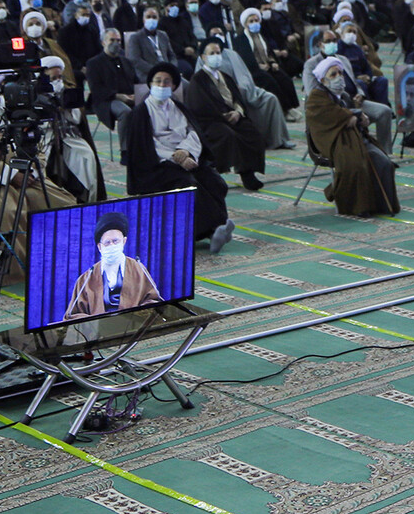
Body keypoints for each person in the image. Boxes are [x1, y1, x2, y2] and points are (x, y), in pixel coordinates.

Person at [119, 64, 232, 249]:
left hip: (186, 155)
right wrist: (176, 157)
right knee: (188, 184)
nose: (162, 85)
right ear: (150, 84)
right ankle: (211, 230)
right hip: (157, 164)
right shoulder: (140, 113)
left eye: (166, 82)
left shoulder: (179, 107)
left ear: (173, 86)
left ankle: (217, 228)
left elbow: (193, 133)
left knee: (213, 180)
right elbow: (148, 145)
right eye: (158, 81)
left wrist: (186, 152)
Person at [304, 57, 401, 218]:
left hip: (353, 137)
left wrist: (358, 117)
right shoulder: (316, 97)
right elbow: (330, 116)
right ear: (323, 80)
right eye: (333, 74)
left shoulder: (343, 96)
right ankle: (357, 206)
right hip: (332, 140)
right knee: (356, 164)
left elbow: (350, 115)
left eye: (340, 73)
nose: (338, 77)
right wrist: (352, 116)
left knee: (384, 162)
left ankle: (381, 204)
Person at [183, 39, 266, 191]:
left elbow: (237, 99)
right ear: (203, 57)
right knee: (228, 135)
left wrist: (238, 112)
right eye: (212, 53)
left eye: (218, 53)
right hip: (211, 122)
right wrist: (224, 116)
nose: (216, 56)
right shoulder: (198, 80)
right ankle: (216, 175)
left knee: (252, 133)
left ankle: (249, 173)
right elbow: (200, 107)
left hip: (233, 117)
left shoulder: (225, 76)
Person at [63, 210, 163, 321]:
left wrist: (136, 316)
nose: (112, 246)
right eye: (107, 243)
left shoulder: (138, 269)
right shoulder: (86, 279)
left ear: (124, 241)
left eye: (115, 241)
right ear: (100, 247)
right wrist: (95, 324)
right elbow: (72, 315)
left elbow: (155, 302)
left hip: (133, 326)